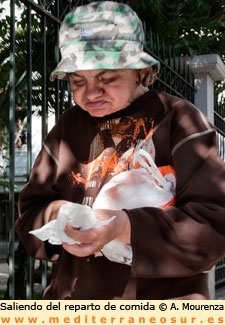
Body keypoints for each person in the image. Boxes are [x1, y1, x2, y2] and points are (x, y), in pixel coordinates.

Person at [15, 1, 225, 300]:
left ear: (140, 71)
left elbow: (214, 226)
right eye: (77, 80)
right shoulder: (67, 126)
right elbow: (30, 215)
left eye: (107, 78)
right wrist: (58, 214)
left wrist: (122, 227)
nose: (90, 93)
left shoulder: (180, 120)